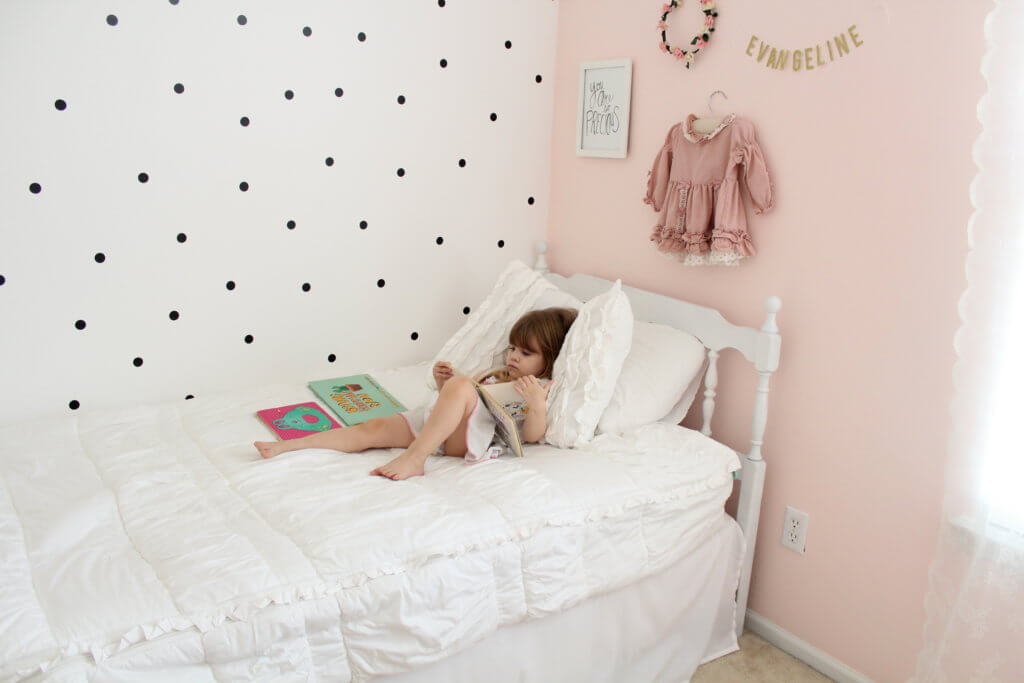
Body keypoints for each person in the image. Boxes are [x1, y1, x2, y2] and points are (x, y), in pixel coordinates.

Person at [253, 307, 578, 480]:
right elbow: (463, 405)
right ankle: (290, 445)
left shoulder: (540, 388)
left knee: (463, 386)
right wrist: (445, 387)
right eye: (513, 348)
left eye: (526, 352)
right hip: (441, 428)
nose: (514, 357)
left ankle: (415, 458)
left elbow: (533, 437)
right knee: (372, 429)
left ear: (548, 357)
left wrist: (536, 405)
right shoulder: (500, 375)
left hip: (471, 440)